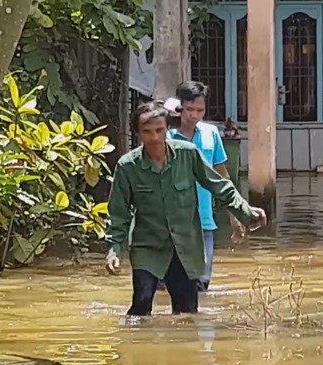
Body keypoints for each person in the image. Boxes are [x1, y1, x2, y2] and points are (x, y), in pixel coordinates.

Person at [105, 101, 266, 316]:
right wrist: (114, 249)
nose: (154, 138)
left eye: (159, 130)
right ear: (138, 134)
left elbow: (218, 185)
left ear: (167, 130)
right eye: (147, 132)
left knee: (187, 313)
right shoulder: (128, 167)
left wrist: (245, 212)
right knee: (141, 306)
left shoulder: (188, 155)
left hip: (185, 248)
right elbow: (118, 212)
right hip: (148, 247)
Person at [158, 81, 244, 293]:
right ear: (179, 107)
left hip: (204, 222)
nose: (194, 115)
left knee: (201, 285)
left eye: (200, 110)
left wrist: (235, 214)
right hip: (171, 225)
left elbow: (222, 176)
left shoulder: (211, 134)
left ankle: (192, 326)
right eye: (190, 109)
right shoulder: (164, 137)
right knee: (165, 288)